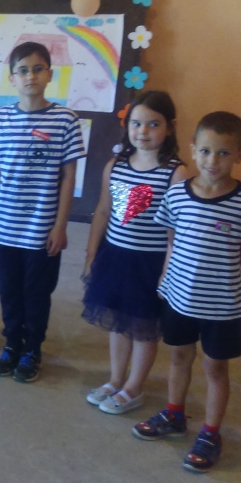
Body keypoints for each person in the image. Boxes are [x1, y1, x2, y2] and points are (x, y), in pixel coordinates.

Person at [132, 112, 241, 473]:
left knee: (215, 367)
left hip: (222, 305)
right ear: (193, 150)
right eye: (206, 151)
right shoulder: (177, 194)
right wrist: (167, 279)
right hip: (179, 297)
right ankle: (174, 414)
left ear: (240, 154)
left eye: (224, 153)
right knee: (179, 357)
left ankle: (210, 433)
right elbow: (172, 240)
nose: (213, 161)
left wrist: (219, 276)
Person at [0, 41, 85, 382]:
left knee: (37, 293)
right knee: (9, 290)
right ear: (12, 78)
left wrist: (60, 226)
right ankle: (12, 343)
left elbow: (69, 177)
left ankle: (32, 349)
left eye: (38, 69)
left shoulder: (65, 120)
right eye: (23, 70)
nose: (30, 76)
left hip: (41, 228)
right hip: (6, 225)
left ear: (50, 75)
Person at [82, 91, 185, 413]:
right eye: (136, 123)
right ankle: (116, 379)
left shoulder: (175, 173)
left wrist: (168, 271)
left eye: (153, 124)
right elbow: (103, 211)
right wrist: (91, 254)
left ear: (170, 127)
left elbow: (176, 230)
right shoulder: (115, 166)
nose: (143, 131)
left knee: (143, 328)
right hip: (116, 257)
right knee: (118, 322)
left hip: (150, 264)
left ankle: (134, 386)